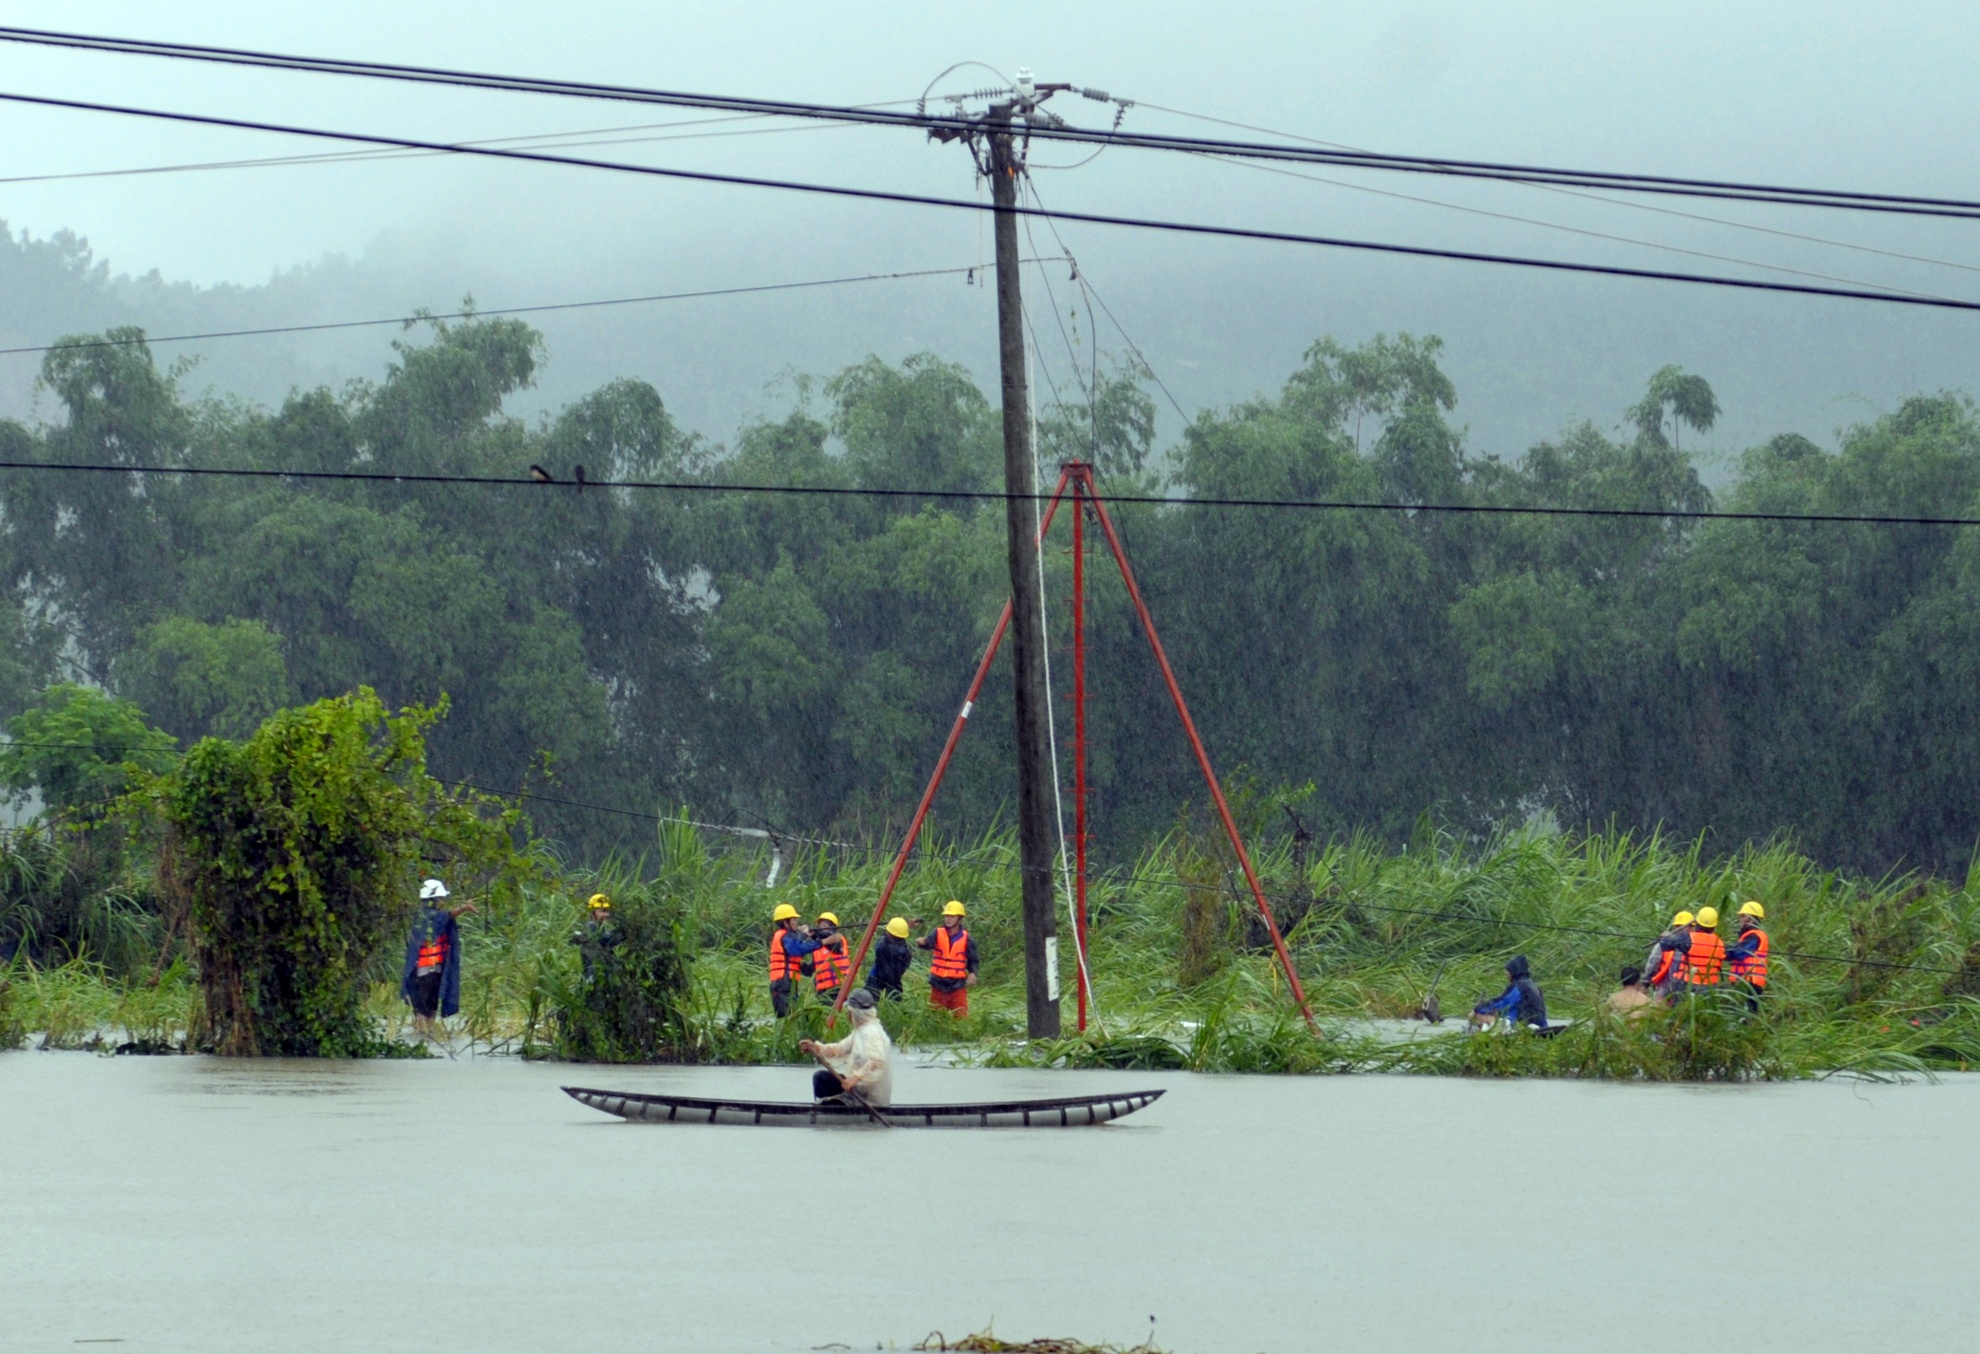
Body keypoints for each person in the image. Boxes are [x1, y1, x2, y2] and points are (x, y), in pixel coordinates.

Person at [400, 878, 476, 1039]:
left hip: (434, 970)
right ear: (433, 900)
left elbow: (445, 918)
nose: (442, 901)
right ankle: (423, 1036)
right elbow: (447, 915)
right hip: (423, 971)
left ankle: (429, 1035)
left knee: (431, 1006)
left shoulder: (425, 916)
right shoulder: (427, 917)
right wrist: (465, 908)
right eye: (440, 898)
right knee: (422, 1009)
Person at [799, 987, 894, 1107]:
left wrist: (855, 1078)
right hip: (858, 1088)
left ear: (853, 1012)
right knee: (821, 1078)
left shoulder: (871, 1032)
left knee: (823, 1084)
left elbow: (877, 1061)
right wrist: (816, 1048)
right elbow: (839, 1049)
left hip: (868, 1096)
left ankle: (830, 1112)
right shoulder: (860, 1030)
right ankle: (829, 1109)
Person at [917, 900, 978, 1017]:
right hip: (938, 982)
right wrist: (922, 943)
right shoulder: (937, 933)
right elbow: (928, 944)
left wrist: (973, 973)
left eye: (951, 916)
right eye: (946, 916)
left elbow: (973, 959)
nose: (948, 919)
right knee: (934, 1016)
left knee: (960, 1017)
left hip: (957, 985)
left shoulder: (967, 938)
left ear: (960, 919)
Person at [768, 903, 822, 1018]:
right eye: (794, 919)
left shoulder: (786, 935)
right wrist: (818, 943)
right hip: (783, 982)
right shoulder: (785, 936)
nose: (796, 922)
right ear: (785, 922)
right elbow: (797, 949)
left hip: (785, 982)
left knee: (791, 1015)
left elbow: (795, 942)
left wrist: (804, 934)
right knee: (789, 1017)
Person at [1472, 954, 1548, 1029]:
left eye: (1508, 971)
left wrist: (1479, 1009)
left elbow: (1502, 1004)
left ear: (1514, 971)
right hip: (1540, 1025)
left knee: (1477, 1015)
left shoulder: (1519, 987)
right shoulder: (1535, 986)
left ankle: (1486, 1037)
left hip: (1520, 1024)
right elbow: (1542, 1011)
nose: (1506, 973)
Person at [1726, 900, 1770, 1010]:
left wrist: (1717, 950)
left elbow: (1738, 953)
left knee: (1744, 1018)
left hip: (1750, 984)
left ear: (1751, 918)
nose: (1740, 918)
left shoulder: (1754, 937)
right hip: (1744, 982)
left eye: (1742, 915)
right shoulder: (1748, 936)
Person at [572, 892, 623, 983]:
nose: (607, 915)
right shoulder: (590, 929)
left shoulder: (601, 928)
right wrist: (623, 934)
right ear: (593, 912)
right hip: (593, 979)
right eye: (603, 911)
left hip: (601, 978)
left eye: (608, 911)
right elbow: (605, 940)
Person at [864, 916, 915, 1000]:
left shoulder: (883, 945)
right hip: (895, 980)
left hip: (877, 976)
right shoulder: (906, 950)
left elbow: (880, 942)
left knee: (869, 999)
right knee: (894, 1001)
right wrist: (904, 926)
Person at [1645, 912, 1693, 999]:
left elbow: (1651, 966)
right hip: (1665, 988)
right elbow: (1652, 965)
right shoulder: (1664, 943)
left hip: (1686, 988)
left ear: (1691, 928)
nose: (1680, 929)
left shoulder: (1665, 942)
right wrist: (1647, 981)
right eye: (1678, 926)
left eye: (1682, 926)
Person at [809, 911, 852, 1007]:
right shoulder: (819, 945)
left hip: (838, 988)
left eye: (824, 924)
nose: (821, 927)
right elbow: (811, 969)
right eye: (820, 924)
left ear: (833, 927)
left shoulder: (838, 939)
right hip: (822, 992)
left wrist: (815, 933)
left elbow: (834, 945)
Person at [1685, 906, 1726, 990]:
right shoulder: (1719, 942)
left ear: (1697, 923)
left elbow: (1668, 944)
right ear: (1714, 926)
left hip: (1690, 985)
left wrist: (1666, 937)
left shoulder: (1689, 938)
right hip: (1711, 988)